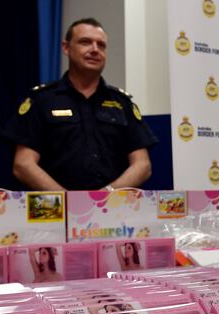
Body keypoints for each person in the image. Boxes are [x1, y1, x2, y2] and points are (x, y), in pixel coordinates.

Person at [9, 18, 156, 190]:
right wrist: (69, 202)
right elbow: (23, 164)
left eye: (101, 45)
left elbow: (142, 165)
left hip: (113, 208)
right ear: (66, 47)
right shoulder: (41, 100)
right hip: (54, 210)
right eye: (85, 42)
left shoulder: (122, 103)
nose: (95, 50)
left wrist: (105, 196)